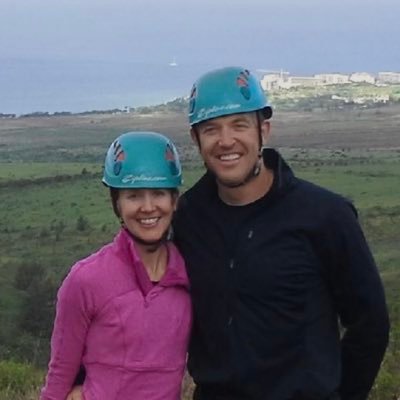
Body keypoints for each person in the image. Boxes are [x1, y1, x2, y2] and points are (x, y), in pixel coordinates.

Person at [172, 66, 390, 400]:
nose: (226, 140)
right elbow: (139, 294)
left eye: (239, 125)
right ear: (195, 139)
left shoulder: (324, 216)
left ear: (264, 130)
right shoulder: (188, 217)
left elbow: (370, 324)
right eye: (211, 128)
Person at [40, 131, 192, 400]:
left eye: (158, 193)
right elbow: (60, 373)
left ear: (174, 200)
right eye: (133, 196)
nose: (148, 207)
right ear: (117, 205)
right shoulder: (87, 280)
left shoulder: (191, 275)